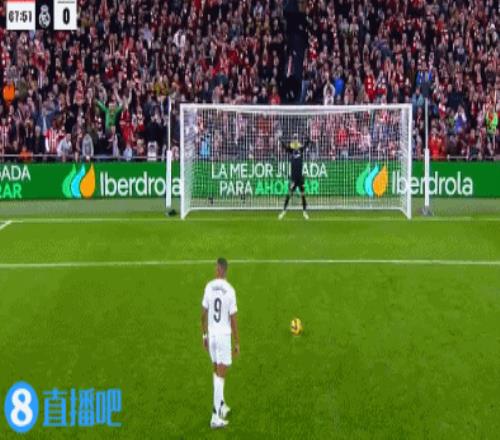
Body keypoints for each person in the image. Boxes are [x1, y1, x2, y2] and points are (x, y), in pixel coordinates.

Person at [201, 258, 239, 429]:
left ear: (218, 269)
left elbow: (203, 314)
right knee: (220, 377)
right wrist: (237, 342)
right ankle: (215, 416)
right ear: (226, 270)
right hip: (223, 337)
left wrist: (204, 335)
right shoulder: (230, 290)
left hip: (212, 336)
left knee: (216, 371)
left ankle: (221, 405)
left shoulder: (208, 286)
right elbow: (233, 319)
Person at [279, 132, 309, 220]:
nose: (295, 140)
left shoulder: (300, 149)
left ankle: (304, 212)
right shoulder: (291, 150)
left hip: (300, 177)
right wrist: (281, 140)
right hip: (293, 178)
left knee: (303, 194)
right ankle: (284, 211)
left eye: (296, 138)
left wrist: (307, 138)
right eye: (294, 138)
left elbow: (306, 144)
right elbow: (285, 147)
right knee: (289, 194)